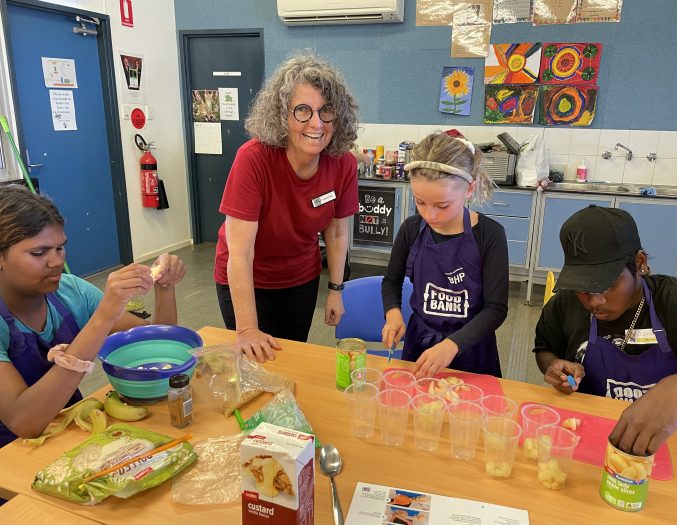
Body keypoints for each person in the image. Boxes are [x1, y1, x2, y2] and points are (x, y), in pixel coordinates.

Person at [0, 185, 186, 447]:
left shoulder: (71, 291)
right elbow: (24, 422)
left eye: (60, 248)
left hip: (63, 430)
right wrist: (103, 317)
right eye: (39, 253)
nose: (56, 262)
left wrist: (165, 286)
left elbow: (157, 348)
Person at [214, 52, 359, 363]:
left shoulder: (342, 163)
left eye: (326, 111)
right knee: (254, 363)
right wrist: (247, 328)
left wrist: (336, 289)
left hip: (300, 279)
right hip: (247, 277)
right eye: (303, 111)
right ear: (282, 115)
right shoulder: (253, 159)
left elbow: (335, 233)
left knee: (290, 360)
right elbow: (240, 253)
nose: (316, 123)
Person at [533, 205, 677, 455]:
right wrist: (554, 365)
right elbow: (545, 349)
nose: (594, 301)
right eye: (584, 288)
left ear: (639, 263)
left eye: (608, 285)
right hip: (590, 440)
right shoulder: (564, 306)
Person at [381, 131, 509, 379]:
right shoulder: (411, 229)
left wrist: (453, 345)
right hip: (421, 345)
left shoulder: (489, 235)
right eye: (420, 202)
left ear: (469, 189)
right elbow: (391, 282)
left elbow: (495, 308)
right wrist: (393, 313)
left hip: (472, 349)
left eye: (442, 205)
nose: (430, 215)